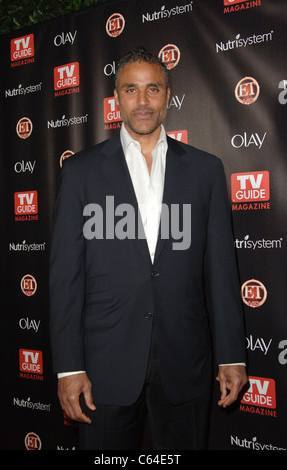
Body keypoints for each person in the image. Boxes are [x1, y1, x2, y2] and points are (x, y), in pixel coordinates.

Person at [49, 47, 248, 450]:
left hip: (185, 360)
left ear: (168, 96)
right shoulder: (81, 171)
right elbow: (65, 277)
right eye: (131, 90)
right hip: (104, 365)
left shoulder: (205, 169)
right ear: (117, 98)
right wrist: (69, 367)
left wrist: (232, 355)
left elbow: (222, 270)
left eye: (152, 89)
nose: (142, 102)